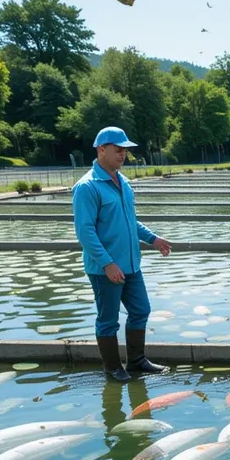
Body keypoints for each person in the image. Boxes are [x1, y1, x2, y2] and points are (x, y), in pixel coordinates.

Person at [73, 126, 172, 382]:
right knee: (108, 319)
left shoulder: (123, 182)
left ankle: (137, 360)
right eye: (118, 150)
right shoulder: (87, 187)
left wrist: (153, 238)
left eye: (125, 151)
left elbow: (130, 221)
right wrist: (107, 263)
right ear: (101, 150)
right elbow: (85, 232)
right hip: (105, 268)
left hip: (130, 263)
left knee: (141, 310)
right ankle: (113, 368)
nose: (123, 155)